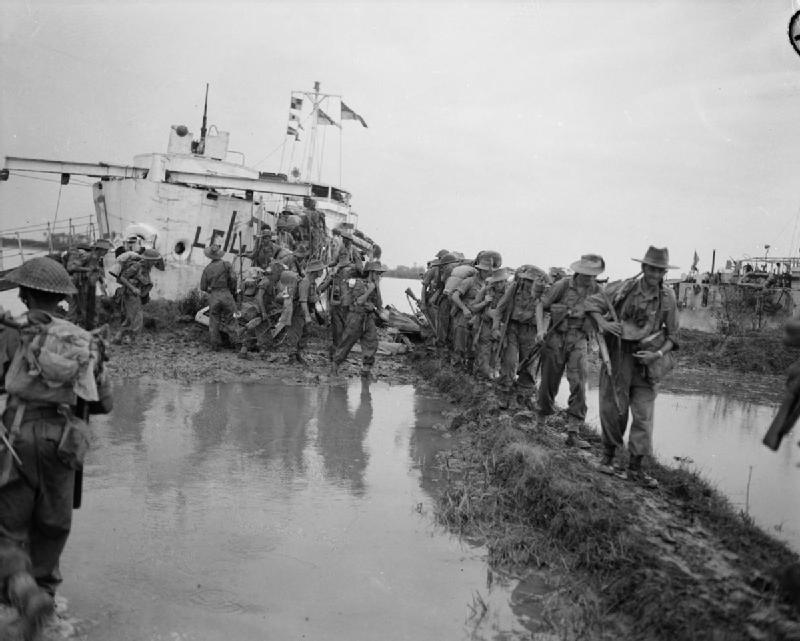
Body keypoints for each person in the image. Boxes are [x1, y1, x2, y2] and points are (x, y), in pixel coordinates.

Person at [0, 257, 112, 634]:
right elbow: (104, 403)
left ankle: (22, 591)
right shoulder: (82, 339)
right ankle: (44, 605)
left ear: (26, 295)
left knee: (6, 528)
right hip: (65, 443)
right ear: (60, 299)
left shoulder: (12, 334)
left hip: (16, 437)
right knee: (52, 524)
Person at [585, 246, 680, 489]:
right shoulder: (622, 288)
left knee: (644, 415)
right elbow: (591, 304)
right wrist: (604, 324)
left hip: (647, 361)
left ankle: (635, 469)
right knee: (614, 407)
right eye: (651, 269)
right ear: (643, 267)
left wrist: (656, 354)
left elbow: (674, 337)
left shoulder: (668, 298)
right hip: (619, 355)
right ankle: (608, 457)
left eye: (660, 270)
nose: (655, 274)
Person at [537, 254, 605, 449]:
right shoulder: (563, 285)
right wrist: (541, 330)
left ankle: (573, 431)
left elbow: (602, 315)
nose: (589, 278)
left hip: (579, 340)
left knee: (579, 384)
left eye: (593, 275)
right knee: (549, 381)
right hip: (556, 338)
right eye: (586, 274)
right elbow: (541, 304)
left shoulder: (598, 290)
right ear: (578, 271)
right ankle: (540, 423)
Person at [493, 265, 550, 410]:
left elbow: (546, 314)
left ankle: (523, 396)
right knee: (509, 360)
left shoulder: (542, 294)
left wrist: (541, 331)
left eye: (533, 282)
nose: (529, 284)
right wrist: (495, 327)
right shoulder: (514, 288)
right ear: (523, 281)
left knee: (528, 363)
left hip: (530, 331)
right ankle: (504, 392)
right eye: (528, 281)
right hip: (512, 328)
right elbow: (500, 308)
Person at [331, 261, 387, 378]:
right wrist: (369, 290)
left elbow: (379, 304)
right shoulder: (359, 283)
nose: (379, 276)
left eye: (380, 273)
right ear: (371, 272)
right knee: (347, 342)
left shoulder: (373, 285)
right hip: (355, 317)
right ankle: (334, 366)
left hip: (368, 317)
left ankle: (366, 370)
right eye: (377, 273)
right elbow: (359, 301)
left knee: (371, 342)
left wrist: (377, 287)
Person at [112, 248, 163, 345]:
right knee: (137, 317)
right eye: (153, 261)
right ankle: (131, 339)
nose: (155, 263)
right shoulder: (137, 266)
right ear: (149, 260)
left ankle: (118, 337)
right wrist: (133, 288)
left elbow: (161, 267)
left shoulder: (146, 268)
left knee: (131, 317)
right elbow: (122, 277)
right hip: (131, 294)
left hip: (135, 295)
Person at [451, 255, 493, 369]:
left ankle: (469, 369)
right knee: (460, 344)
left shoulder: (489, 285)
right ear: (479, 270)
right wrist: (464, 309)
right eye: (485, 271)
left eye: (489, 271)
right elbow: (455, 296)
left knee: (473, 346)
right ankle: (456, 368)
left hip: (477, 318)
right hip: (464, 316)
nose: (487, 273)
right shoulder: (469, 281)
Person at [284, 259, 325, 365]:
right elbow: (303, 300)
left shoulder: (312, 283)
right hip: (299, 311)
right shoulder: (305, 282)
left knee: (304, 333)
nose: (322, 271)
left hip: (305, 310)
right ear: (315, 271)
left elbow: (310, 298)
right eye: (321, 269)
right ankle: (291, 357)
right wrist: (307, 316)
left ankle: (298, 354)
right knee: (295, 333)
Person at [471, 268, 509, 379]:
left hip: (502, 327)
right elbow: (473, 307)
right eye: (497, 282)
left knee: (498, 352)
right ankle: (483, 375)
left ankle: (494, 374)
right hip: (486, 325)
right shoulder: (485, 291)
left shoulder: (510, 293)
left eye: (502, 282)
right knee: (484, 351)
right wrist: (485, 302)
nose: (500, 284)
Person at [317, 252, 355, 359]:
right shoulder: (333, 276)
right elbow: (319, 289)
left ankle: (339, 354)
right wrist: (330, 278)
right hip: (337, 308)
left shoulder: (351, 273)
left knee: (344, 333)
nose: (344, 271)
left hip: (347, 309)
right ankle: (335, 355)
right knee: (337, 332)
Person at [200, 244, 236, 351]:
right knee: (232, 318)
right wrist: (233, 291)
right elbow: (233, 279)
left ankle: (215, 345)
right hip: (226, 293)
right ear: (220, 254)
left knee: (214, 321)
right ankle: (235, 343)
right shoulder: (226, 265)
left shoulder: (207, 269)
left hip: (214, 295)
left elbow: (203, 287)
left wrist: (211, 290)